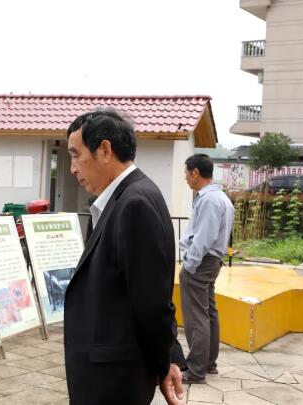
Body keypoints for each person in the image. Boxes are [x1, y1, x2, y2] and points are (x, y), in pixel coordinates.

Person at [64, 108, 186, 405]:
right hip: (111, 373)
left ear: (105, 150)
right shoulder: (125, 197)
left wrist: (165, 362)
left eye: (76, 155)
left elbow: (152, 301)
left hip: (113, 381)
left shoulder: (134, 204)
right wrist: (169, 355)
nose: (72, 168)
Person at [179, 154, 234, 384]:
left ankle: (196, 370)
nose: (185, 178)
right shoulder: (221, 198)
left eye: (186, 172)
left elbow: (204, 237)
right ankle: (208, 363)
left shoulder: (209, 200)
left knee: (196, 317)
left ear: (195, 172)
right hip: (211, 262)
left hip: (201, 262)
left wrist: (189, 264)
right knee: (209, 312)